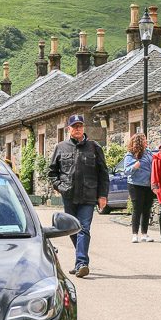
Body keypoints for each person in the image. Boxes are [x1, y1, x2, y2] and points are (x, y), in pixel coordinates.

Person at [47, 114, 109, 278]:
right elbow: (52, 173)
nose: (78, 129)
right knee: (72, 229)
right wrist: (60, 187)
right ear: (69, 129)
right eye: (74, 126)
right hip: (69, 195)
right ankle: (79, 260)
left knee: (83, 228)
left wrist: (102, 195)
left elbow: (103, 173)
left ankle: (82, 262)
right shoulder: (61, 147)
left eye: (80, 126)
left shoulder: (94, 147)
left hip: (89, 195)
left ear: (84, 128)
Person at [123, 132, 155, 243]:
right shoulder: (130, 155)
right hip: (135, 185)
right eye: (144, 140)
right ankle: (135, 234)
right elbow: (126, 171)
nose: (146, 141)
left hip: (148, 185)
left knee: (147, 209)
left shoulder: (149, 153)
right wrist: (134, 166)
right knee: (137, 209)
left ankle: (144, 234)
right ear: (139, 142)